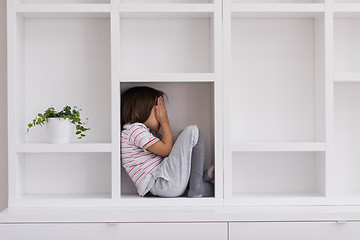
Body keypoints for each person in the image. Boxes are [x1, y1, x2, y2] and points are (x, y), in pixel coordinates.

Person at [121, 86, 214, 198]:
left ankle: (196, 183)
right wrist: (165, 121)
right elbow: (167, 150)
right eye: (157, 109)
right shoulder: (134, 129)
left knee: (183, 139)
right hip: (162, 183)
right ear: (137, 112)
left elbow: (172, 151)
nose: (161, 114)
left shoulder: (142, 132)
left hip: (162, 185)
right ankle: (197, 183)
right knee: (192, 132)